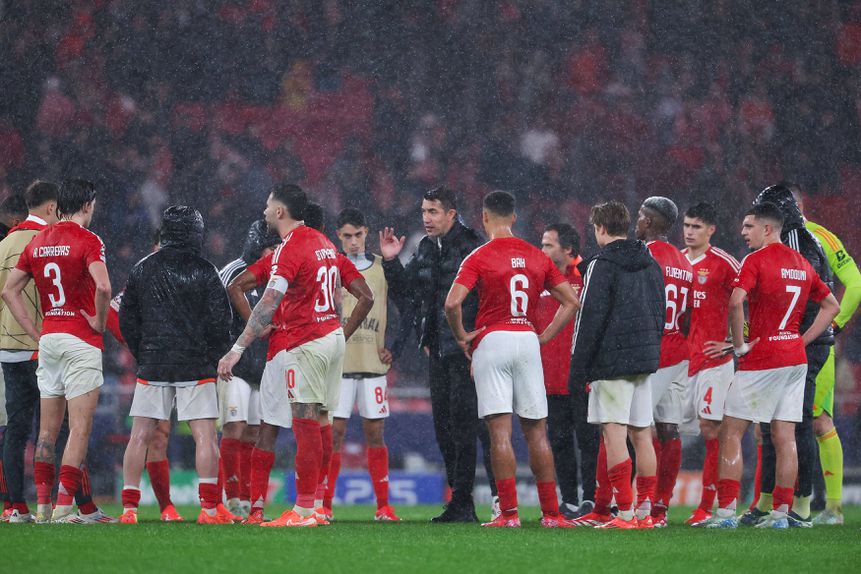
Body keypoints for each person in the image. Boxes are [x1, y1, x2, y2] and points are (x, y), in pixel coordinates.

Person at [218, 185, 374, 528]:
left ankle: (302, 510)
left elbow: (269, 301)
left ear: (279, 212)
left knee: (300, 423)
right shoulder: (325, 245)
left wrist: (238, 348)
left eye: (267, 204)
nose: (263, 210)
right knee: (320, 423)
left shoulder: (290, 248)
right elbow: (366, 294)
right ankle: (317, 505)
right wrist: (340, 333)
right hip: (331, 339)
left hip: (303, 343)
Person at [445, 191, 579, 528]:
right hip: (527, 340)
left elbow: (452, 303)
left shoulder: (479, 256)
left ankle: (509, 515)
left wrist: (462, 336)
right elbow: (571, 301)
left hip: (493, 340)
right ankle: (552, 514)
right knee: (537, 432)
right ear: (515, 218)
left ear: (485, 218)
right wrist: (545, 335)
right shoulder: (537, 256)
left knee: (499, 433)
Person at [704, 203, 839, 529]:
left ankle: (725, 514)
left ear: (767, 229)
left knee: (731, 432)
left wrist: (739, 345)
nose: (743, 232)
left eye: (749, 226)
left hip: (761, 358)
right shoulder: (802, 263)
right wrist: (801, 340)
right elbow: (831, 305)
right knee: (785, 436)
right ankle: (781, 514)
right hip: (794, 358)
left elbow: (736, 301)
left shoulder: (756, 261)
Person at [379, 186, 498, 523]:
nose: (426, 219)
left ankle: (483, 499)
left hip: (466, 351)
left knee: (468, 426)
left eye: (433, 212)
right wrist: (390, 263)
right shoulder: (427, 248)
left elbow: (489, 295)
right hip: (438, 352)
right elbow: (409, 297)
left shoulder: (473, 246)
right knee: (444, 428)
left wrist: (478, 336)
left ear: (451, 214)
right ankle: (460, 501)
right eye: (423, 212)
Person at [1, 178, 112, 523]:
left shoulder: (39, 240)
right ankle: (67, 508)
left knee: (45, 432)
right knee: (78, 429)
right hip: (80, 340)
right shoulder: (88, 239)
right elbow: (105, 287)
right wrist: (99, 321)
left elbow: (9, 291)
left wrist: (36, 329)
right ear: (87, 204)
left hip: (48, 340)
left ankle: (44, 508)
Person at [118, 205, 233, 525]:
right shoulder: (205, 270)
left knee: (139, 436)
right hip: (194, 365)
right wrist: (213, 355)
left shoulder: (142, 268)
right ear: (195, 232)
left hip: (153, 364)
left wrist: (144, 352)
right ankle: (209, 510)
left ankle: (129, 510)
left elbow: (127, 318)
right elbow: (219, 322)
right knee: (205, 437)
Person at [223, 202, 331, 524]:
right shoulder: (323, 254)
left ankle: (259, 509)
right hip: (312, 348)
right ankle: (313, 506)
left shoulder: (281, 258)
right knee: (314, 425)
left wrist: (249, 337)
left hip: (282, 350)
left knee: (272, 429)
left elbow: (236, 287)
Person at [742, 185, 834, 528]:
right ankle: (769, 503)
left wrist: (799, 338)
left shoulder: (795, 242)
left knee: (796, 427)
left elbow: (801, 296)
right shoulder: (808, 238)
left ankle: (801, 506)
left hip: (799, 344)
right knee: (774, 426)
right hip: (800, 342)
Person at [569, 200, 664, 529]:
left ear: (600, 228)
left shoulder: (601, 263)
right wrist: (651, 350)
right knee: (642, 436)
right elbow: (659, 309)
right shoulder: (650, 262)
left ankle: (623, 513)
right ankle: (645, 512)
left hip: (611, 361)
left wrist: (578, 368)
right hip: (645, 358)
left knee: (613, 435)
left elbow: (589, 319)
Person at [790, 183, 861, 525]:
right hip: (784, 344)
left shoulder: (820, 237)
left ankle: (833, 509)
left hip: (813, 344)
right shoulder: (773, 241)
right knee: (780, 425)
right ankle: (777, 504)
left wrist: (836, 324)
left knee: (817, 421)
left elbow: (856, 282)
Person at [324, 208, 400, 522]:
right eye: (347, 236)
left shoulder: (383, 268)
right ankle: (324, 505)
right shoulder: (330, 268)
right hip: (338, 365)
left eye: (358, 235)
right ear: (338, 237)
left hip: (372, 363)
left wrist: (393, 346)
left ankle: (383, 506)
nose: (353, 241)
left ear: (366, 233)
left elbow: (402, 308)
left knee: (375, 434)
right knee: (334, 435)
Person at [679, 203, 741, 526]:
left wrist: (737, 343)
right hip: (681, 362)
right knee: (665, 429)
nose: (689, 231)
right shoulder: (676, 262)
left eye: (696, 227)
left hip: (715, 362)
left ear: (711, 230)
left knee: (711, 429)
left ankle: (707, 506)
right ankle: (656, 505)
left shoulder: (725, 264)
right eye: (687, 225)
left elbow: (749, 301)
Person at [635, 196, 693, 527]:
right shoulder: (685, 263)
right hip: (678, 351)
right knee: (669, 431)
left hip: (651, 351)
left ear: (652, 222)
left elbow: (638, 305)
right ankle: (661, 507)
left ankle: (633, 504)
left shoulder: (646, 255)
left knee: (635, 428)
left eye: (642, 217)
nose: (637, 222)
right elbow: (687, 318)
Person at [217, 220, 281, 519]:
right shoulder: (232, 272)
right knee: (235, 427)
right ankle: (231, 499)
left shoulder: (279, 272)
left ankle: (246, 498)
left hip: (263, 366)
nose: (275, 250)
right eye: (271, 246)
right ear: (258, 246)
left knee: (254, 433)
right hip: (237, 366)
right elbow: (216, 315)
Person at [535, 222, 596, 519]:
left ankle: (592, 499)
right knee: (559, 442)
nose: (542, 250)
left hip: (583, 378)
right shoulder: (538, 279)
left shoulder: (589, 276)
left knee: (589, 441)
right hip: (550, 379)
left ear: (568, 249)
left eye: (548, 244)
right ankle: (569, 499)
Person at [0, 192, 26, 517]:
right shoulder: (24, 246)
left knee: (10, 429)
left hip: (8, 346)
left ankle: (12, 503)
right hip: (18, 344)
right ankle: (12, 503)